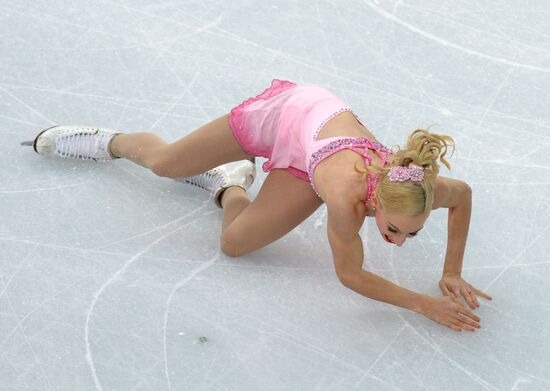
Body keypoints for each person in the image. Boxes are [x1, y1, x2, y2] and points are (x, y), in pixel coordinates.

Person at [23, 79, 492, 332]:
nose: (400, 241)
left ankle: (227, 185)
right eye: (393, 230)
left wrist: (451, 271)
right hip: (287, 116)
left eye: (411, 233)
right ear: (377, 205)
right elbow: (350, 274)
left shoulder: (419, 188)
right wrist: (424, 305)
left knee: (233, 244)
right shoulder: (348, 202)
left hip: (312, 162)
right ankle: (110, 142)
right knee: (166, 164)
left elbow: (464, 196)